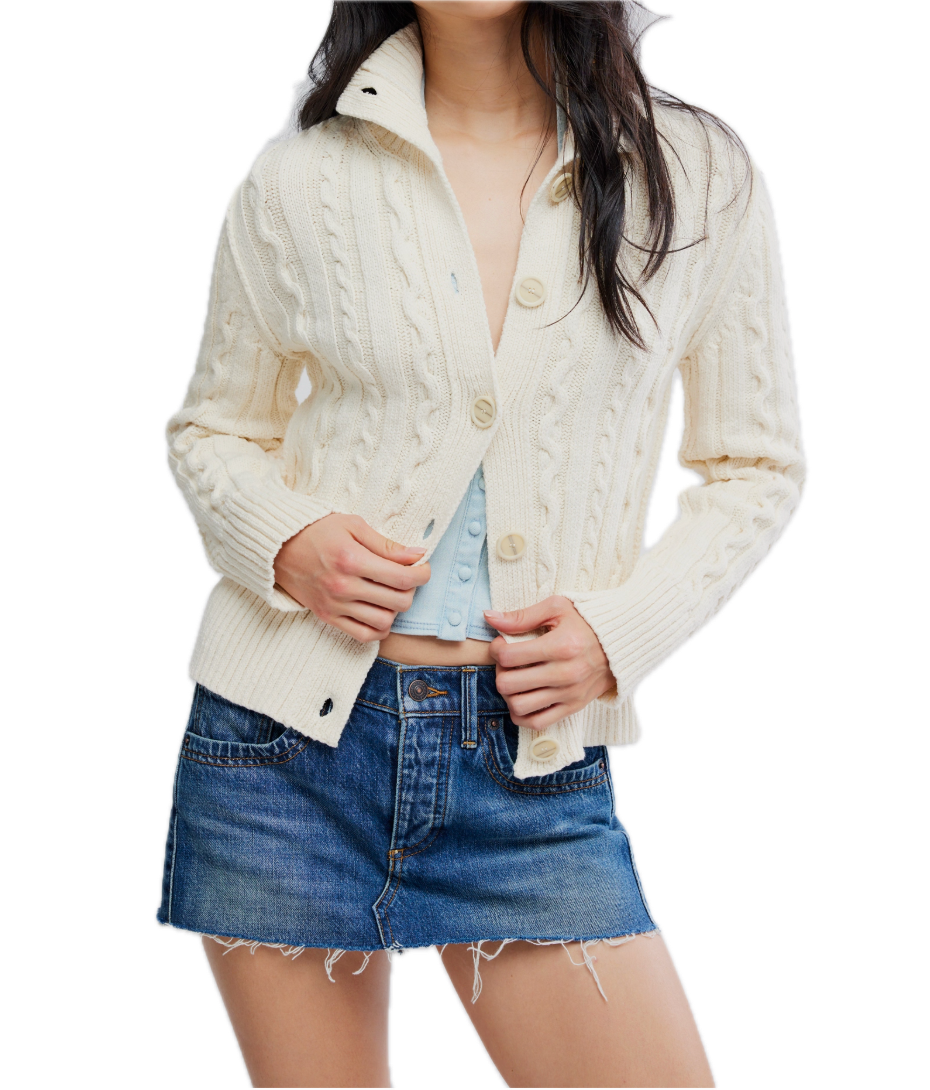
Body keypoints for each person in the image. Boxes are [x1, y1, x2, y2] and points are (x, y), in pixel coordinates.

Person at [155, 1, 810, 1086]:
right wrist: (286, 541)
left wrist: (619, 633)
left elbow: (757, 465)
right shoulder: (301, 171)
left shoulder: (697, 169)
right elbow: (211, 429)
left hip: (530, 767)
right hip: (282, 757)